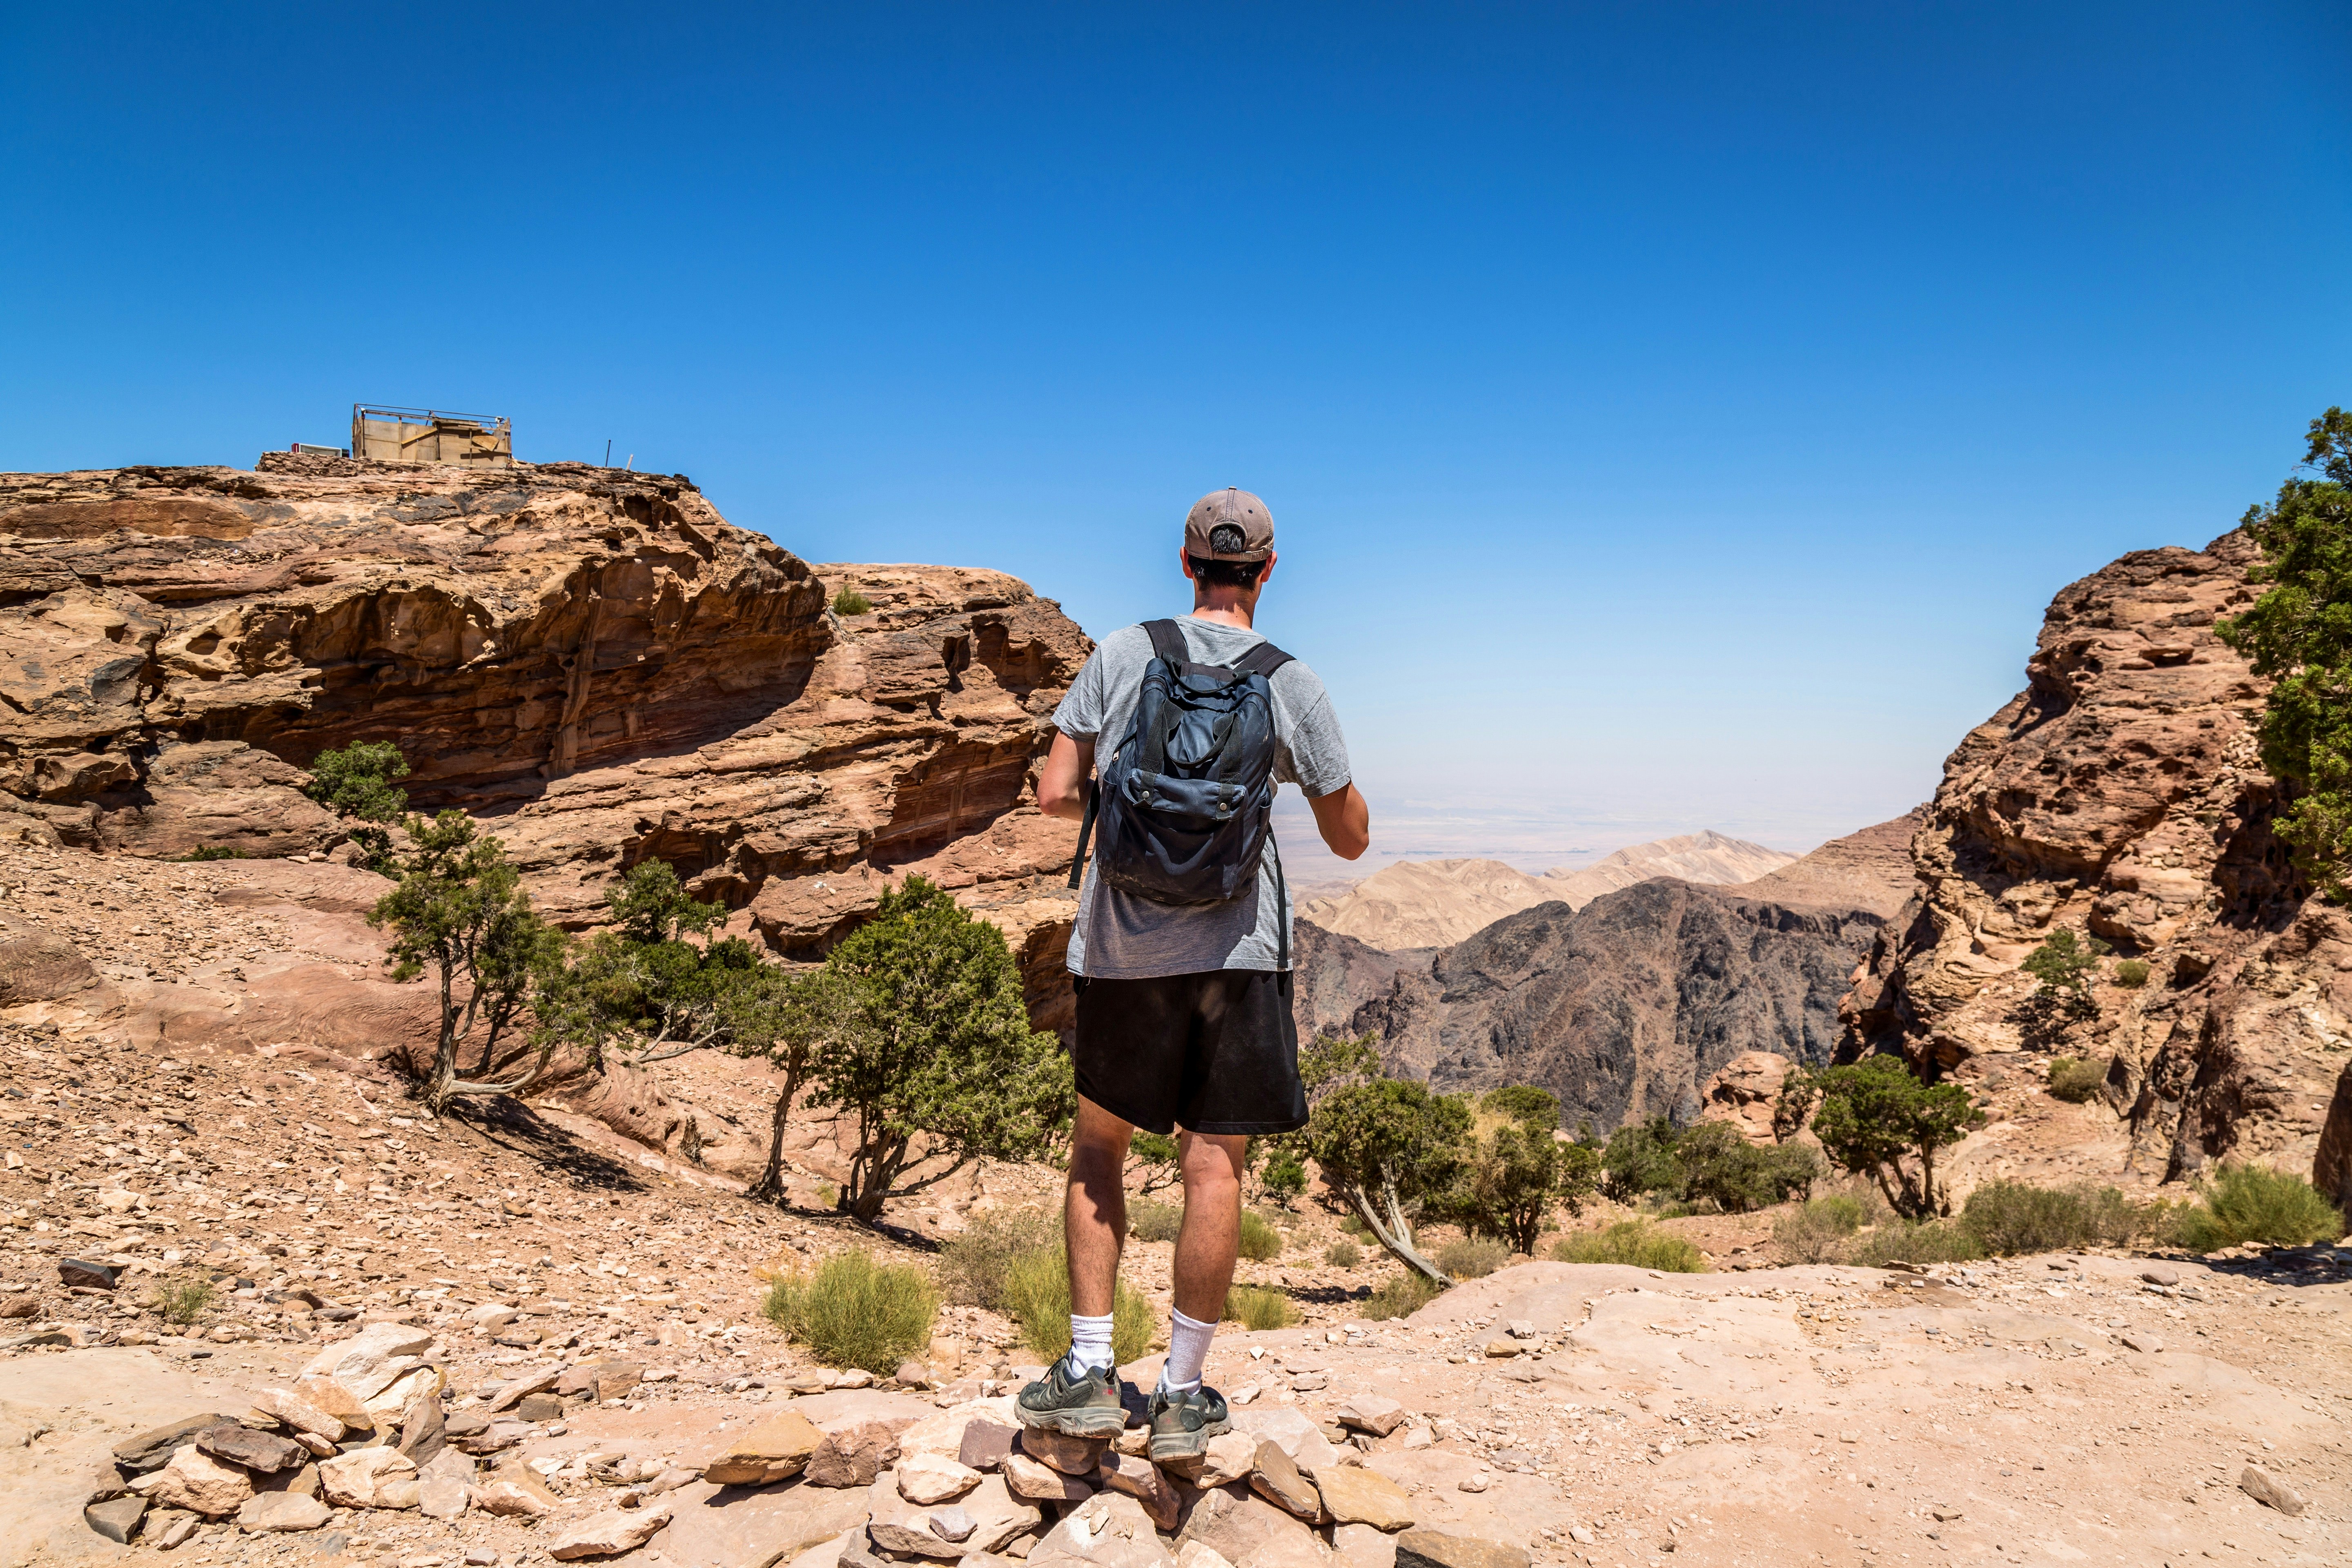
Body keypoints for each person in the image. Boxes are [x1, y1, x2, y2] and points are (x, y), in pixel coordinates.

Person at [1017, 486, 1370, 1459]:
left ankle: (1089, 1374)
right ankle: (1182, 1391)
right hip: (1239, 954)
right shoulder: (1290, 682)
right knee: (1213, 1165)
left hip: (1125, 953)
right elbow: (1349, 840)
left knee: (1100, 1152)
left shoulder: (1123, 655)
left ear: (1184, 565)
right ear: (1265, 571)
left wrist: (1127, 806)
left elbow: (1054, 795)